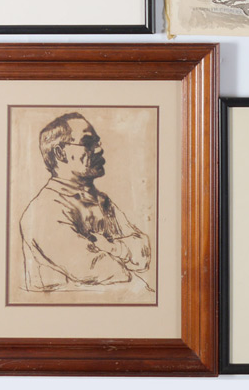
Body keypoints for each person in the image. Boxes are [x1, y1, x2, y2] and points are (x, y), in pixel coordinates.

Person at [19, 112, 152, 293]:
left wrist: (111, 247)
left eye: (97, 142)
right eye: (89, 143)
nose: (99, 149)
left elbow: (144, 252)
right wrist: (124, 253)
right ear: (60, 153)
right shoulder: (43, 210)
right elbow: (98, 270)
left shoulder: (103, 201)